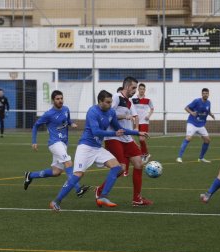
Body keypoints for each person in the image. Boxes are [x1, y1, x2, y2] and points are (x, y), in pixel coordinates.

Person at [48, 90, 148, 211]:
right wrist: (114, 133)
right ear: (100, 101)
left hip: (97, 148)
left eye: (111, 102)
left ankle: (103, 196)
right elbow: (96, 131)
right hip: (85, 147)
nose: (110, 105)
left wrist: (137, 133)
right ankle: (56, 201)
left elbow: (120, 129)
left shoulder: (111, 112)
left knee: (117, 168)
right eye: (107, 102)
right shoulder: (92, 111)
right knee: (78, 175)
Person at [96, 76, 153, 207]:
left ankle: (137, 199)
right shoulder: (116, 97)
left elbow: (135, 116)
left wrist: (136, 130)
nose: (135, 90)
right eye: (133, 88)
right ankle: (100, 191)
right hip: (114, 137)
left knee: (139, 164)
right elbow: (108, 114)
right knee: (120, 169)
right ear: (126, 87)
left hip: (127, 138)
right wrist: (124, 116)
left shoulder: (129, 101)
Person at [23, 90, 90, 198]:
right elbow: (36, 126)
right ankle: (78, 189)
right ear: (53, 100)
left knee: (56, 172)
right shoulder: (49, 114)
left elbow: (68, 120)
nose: (60, 101)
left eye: (61, 98)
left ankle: (30, 175)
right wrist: (34, 141)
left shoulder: (66, 109)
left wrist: (72, 123)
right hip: (54, 143)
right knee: (68, 162)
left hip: (63, 144)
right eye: (57, 99)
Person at [176, 88, 215, 163]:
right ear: (202, 94)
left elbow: (208, 111)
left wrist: (211, 114)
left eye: (206, 93)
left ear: (208, 94)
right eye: (204, 93)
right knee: (188, 138)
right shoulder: (197, 101)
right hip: (192, 123)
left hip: (201, 125)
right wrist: (191, 112)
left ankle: (201, 158)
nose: (205, 94)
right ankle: (179, 157)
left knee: (207, 140)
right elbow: (186, 108)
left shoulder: (208, 102)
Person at [132, 83, 154, 163]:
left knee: (141, 139)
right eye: (140, 89)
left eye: (143, 89)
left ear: (145, 90)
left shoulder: (148, 99)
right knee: (133, 140)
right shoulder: (133, 99)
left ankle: (145, 154)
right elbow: (131, 108)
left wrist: (149, 115)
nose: (142, 90)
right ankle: (145, 154)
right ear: (138, 89)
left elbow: (152, 109)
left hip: (144, 122)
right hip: (136, 122)